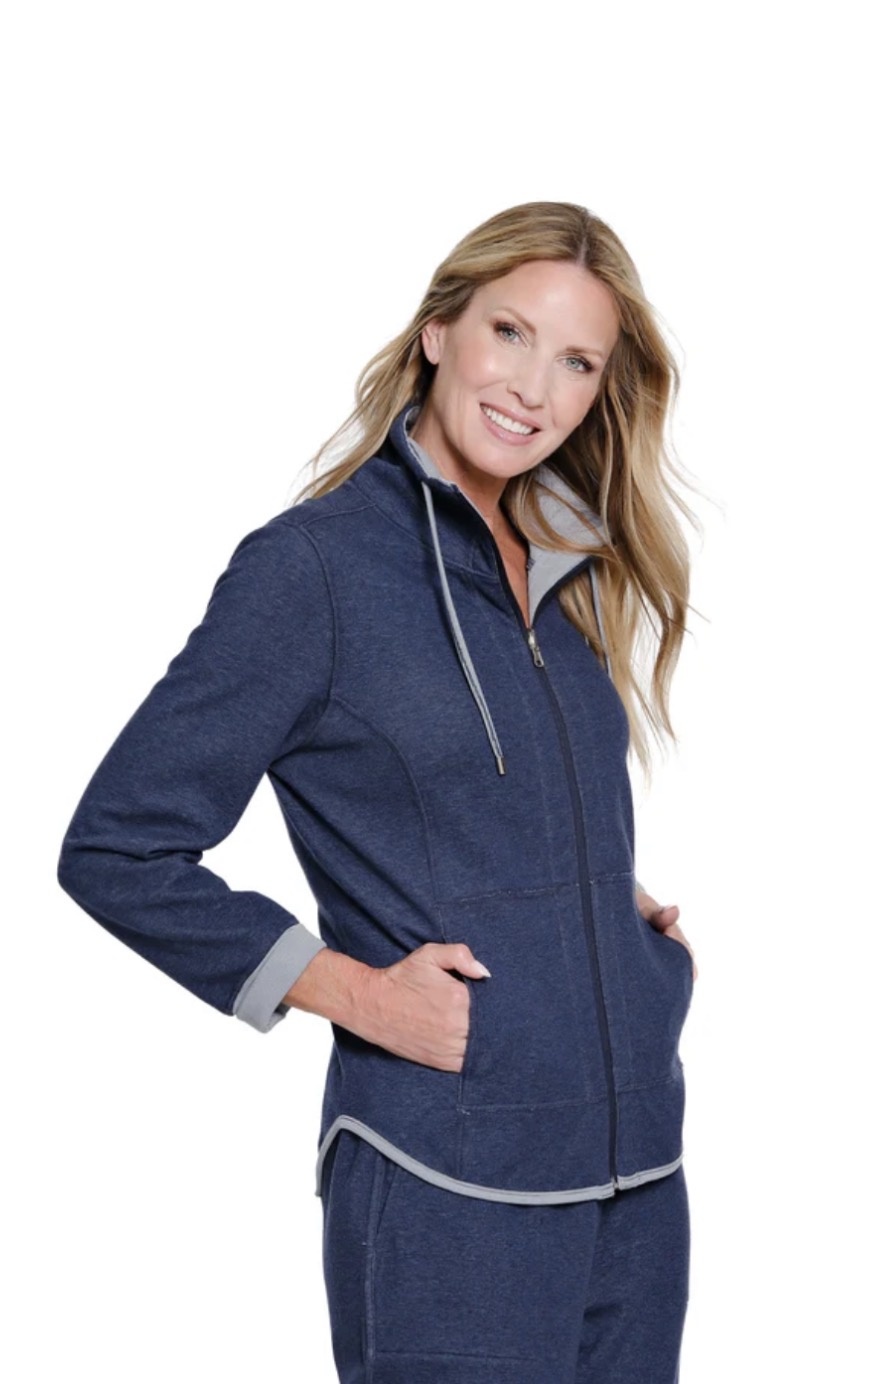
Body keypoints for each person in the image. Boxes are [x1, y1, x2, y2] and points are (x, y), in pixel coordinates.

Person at [57, 200, 699, 1383]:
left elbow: (478, 802)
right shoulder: (311, 571)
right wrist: (352, 991)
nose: (532, 388)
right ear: (437, 332)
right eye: (508, 332)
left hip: (636, 1176)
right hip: (447, 1181)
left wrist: (604, 912)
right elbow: (117, 846)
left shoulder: (569, 564)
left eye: (575, 362)